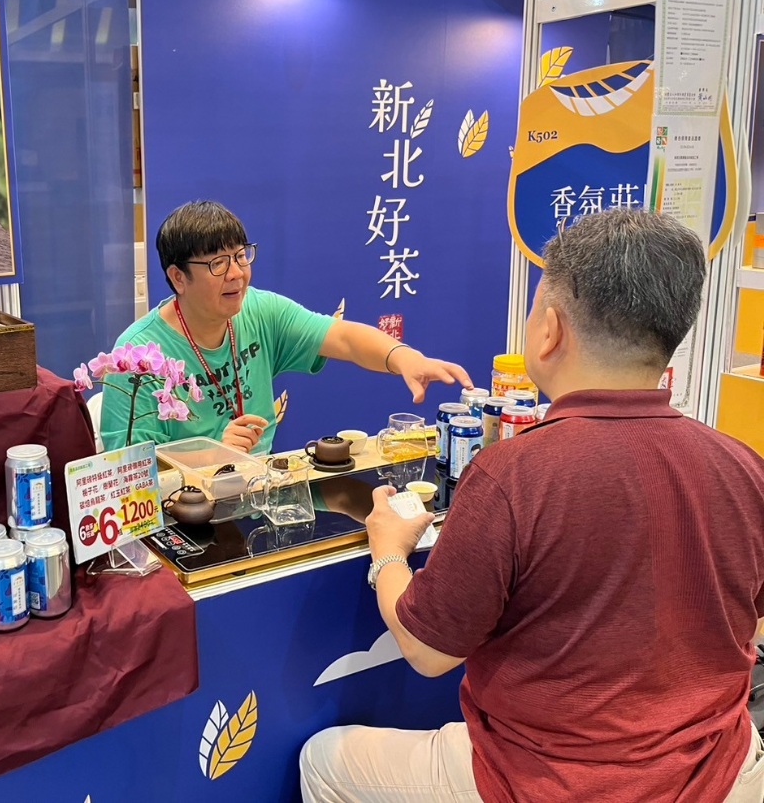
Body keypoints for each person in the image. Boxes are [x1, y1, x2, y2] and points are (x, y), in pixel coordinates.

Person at [300, 208, 764, 803]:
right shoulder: (744, 466)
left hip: (545, 781)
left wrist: (388, 552)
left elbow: (426, 651)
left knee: (323, 760)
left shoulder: (513, 475)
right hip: (724, 772)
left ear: (550, 330)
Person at [98, 201, 471, 454]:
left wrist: (403, 357)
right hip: (183, 515)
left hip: (256, 494)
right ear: (178, 277)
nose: (236, 274)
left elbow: (343, 338)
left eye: (240, 256)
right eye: (217, 264)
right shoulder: (137, 357)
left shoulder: (260, 310)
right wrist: (211, 456)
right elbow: (131, 474)